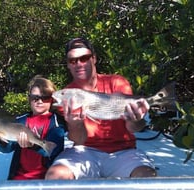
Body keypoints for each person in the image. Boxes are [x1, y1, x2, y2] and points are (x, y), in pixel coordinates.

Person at [45, 37, 157, 180]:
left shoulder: (117, 82)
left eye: (84, 58)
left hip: (124, 151)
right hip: (84, 151)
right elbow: (78, 140)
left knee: (147, 178)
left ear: (94, 59)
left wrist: (135, 119)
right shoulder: (68, 94)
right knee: (55, 177)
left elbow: (134, 128)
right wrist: (75, 124)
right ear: (68, 65)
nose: (79, 64)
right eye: (73, 60)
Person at [0, 75, 66, 180]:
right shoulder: (21, 120)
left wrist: (32, 146)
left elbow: (55, 151)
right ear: (29, 99)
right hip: (20, 176)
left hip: (46, 178)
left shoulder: (57, 122)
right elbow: (8, 149)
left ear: (52, 99)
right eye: (35, 98)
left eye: (45, 97)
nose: (40, 101)